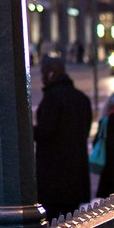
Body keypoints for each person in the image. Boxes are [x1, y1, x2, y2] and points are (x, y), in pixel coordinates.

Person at [34, 57, 93, 218]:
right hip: (76, 172)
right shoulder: (82, 99)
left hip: (54, 175)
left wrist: (27, 131)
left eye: (43, 74)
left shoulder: (53, 99)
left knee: (51, 227)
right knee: (71, 223)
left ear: (52, 73)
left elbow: (45, 132)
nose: (42, 79)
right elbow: (85, 131)